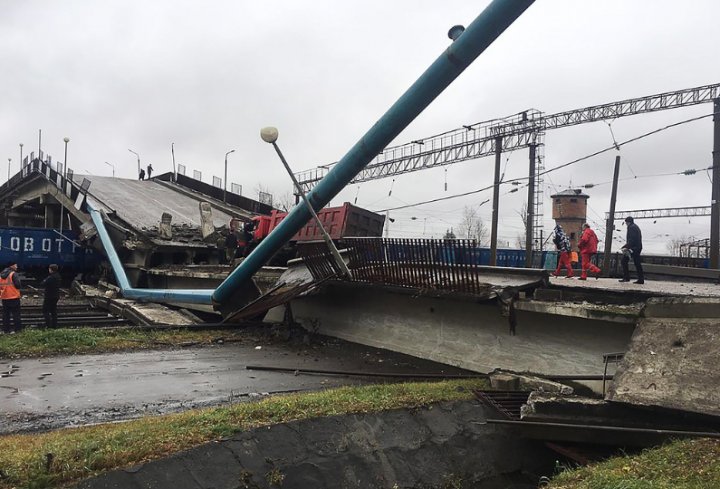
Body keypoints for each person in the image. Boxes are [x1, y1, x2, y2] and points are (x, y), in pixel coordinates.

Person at [620, 216, 644, 284]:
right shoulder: (635, 226)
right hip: (637, 247)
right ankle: (640, 279)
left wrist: (626, 247)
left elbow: (632, 239)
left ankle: (626, 277)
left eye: (626, 222)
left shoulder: (631, 227)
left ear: (628, 222)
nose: (625, 224)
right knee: (637, 263)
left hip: (633, 248)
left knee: (624, 261)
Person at [0, 262, 22, 333]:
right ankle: (17, 330)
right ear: (12, 266)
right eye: (16, 265)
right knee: (16, 315)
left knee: (6, 315)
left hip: (4, 297)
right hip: (14, 297)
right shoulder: (13, 274)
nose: (17, 267)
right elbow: (18, 285)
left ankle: (6, 330)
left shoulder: (1, 274)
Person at [41, 264, 61, 329]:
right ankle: (54, 325)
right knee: (53, 311)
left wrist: (44, 280)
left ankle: (48, 325)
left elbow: (43, 283)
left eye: (49, 269)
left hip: (49, 296)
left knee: (45, 310)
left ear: (51, 269)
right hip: (56, 296)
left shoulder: (51, 277)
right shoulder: (58, 276)